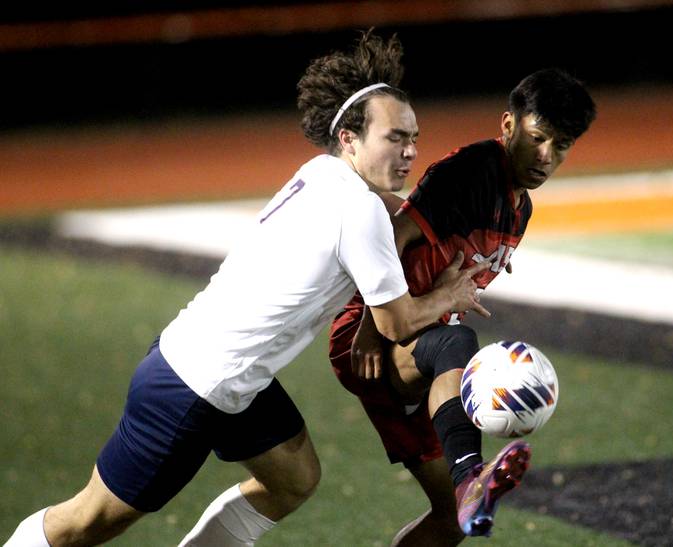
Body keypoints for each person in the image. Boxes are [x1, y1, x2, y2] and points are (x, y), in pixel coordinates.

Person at [4, 30, 491, 547]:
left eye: (413, 137)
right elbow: (395, 322)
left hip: (228, 374)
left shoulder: (322, 173)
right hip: (195, 385)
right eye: (395, 137)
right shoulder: (360, 208)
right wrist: (448, 295)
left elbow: (374, 233)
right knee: (89, 520)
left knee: (294, 477)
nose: (411, 150)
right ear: (349, 138)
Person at [329, 68, 597, 543]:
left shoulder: (521, 205)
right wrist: (372, 329)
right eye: (537, 138)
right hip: (375, 331)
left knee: (452, 518)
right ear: (508, 125)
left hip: (422, 347)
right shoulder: (472, 171)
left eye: (561, 145)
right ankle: (472, 475)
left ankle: (467, 485)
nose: (545, 156)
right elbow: (394, 235)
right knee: (457, 341)